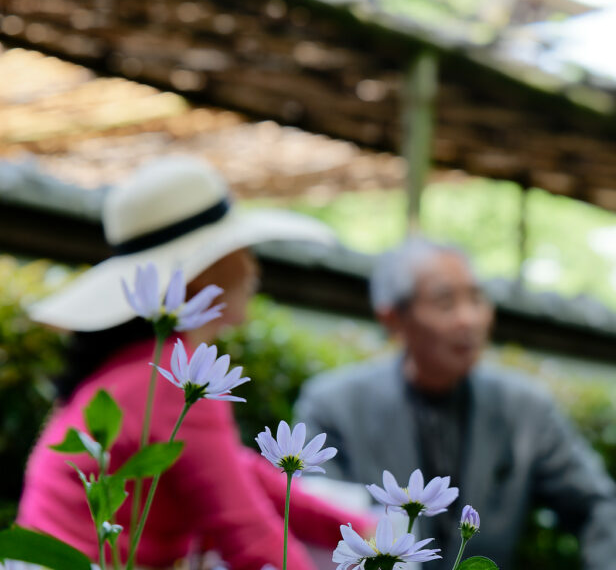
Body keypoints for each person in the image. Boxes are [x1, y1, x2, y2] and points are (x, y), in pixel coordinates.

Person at [18, 156, 370, 570]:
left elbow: (240, 475)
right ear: (200, 273)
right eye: (242, 249)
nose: (255, 267)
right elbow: (250, 537)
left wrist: (359, 530)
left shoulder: (144, 366)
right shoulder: (172, 379)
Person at [295, 237, 616, 570]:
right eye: (445, 303)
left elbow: (601, 506)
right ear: (393, 319)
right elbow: (317, 519)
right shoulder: (334, 406)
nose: (469, 319)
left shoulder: (526, 409)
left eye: (476, 299)